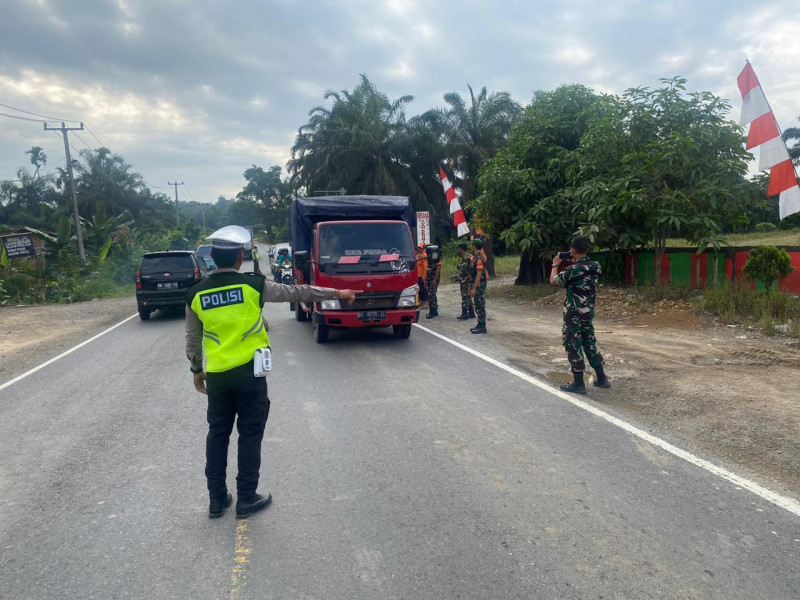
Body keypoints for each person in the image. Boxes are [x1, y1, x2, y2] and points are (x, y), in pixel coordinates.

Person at [186, 226, 360, 519]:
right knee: (250, 434)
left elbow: (192, 339)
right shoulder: (254, 285)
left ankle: (217, 500)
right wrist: (337, 292)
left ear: (213, 257)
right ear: (240, 258)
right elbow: (298, 291)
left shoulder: (196, 293)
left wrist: (196, 369)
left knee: (217, 434)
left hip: (217, 376)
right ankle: (246, 498)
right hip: (249, 375)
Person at [549, 236, 610, 394]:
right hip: (588, 313)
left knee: (573, 343)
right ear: (587, 249)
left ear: (573, 251)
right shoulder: (596, 266)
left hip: (573, 313)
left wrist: (555, 264)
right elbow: (582, 273)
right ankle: (602, 378)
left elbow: (553, 281)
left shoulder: (572, 270)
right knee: (589, 342)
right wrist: (575, 261)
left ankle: (578, 383)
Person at [469, 239, 488, 334]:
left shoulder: (479, 258)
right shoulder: (476, 257)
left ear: (475, 246)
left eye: (472, 246)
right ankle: (479, 323)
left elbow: (479, 274)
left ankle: (482, 325)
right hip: (477, 285)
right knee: (477, 304)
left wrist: (474, 288)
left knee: (480, 304)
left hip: (479, 286)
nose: (471, 247)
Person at [456, 241, 475, 320]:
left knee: (465, 296)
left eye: (459, 248)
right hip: (463, 279)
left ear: (461, 249)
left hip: (467, 280)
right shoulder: (462, 257)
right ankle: (471, 312)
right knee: (467, 297)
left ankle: (465, 313)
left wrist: (470, 276)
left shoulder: (469, 257)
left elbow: (472, 267)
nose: (458, 250)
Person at [425, 245, 441, 319]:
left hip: (434, 279)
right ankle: (433, 310)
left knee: (431, 294)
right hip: (429, 278)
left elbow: (438, 270)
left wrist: (435, 279)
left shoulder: (437, 259)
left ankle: (433, 311)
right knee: (431, 294)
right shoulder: (429, 259)